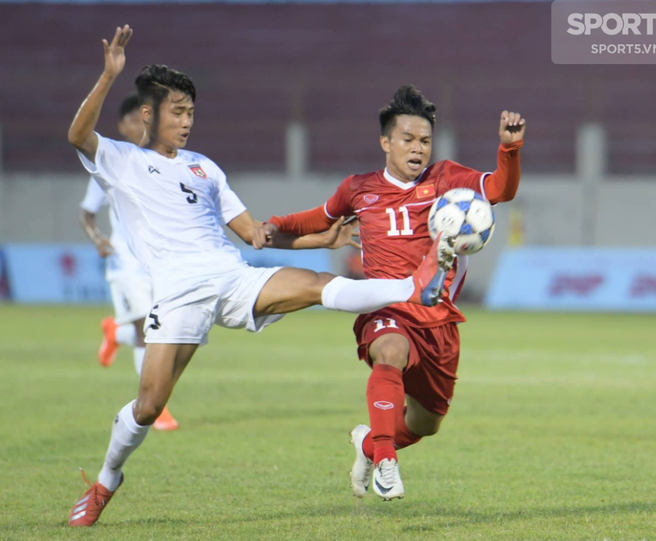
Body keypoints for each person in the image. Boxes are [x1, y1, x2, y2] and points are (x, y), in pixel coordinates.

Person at [67, 26, 457, 527]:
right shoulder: (123, 161)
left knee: (316, 287)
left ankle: (414, 288)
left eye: (191, 112)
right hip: (178, 293)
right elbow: (78, 136)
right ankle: (106, 482)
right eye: (177, 112)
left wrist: (324, 240)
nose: (187, 122)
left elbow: (254, 234)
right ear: (149, 114)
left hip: (232, 278)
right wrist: (106, 77)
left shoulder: (205, 169)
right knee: (148, 406)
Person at [255, 85, 525, 501]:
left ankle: (369, 445)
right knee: (390, 352)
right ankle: (385, 462)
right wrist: (275, 224)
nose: (418, 149)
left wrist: (510, 149)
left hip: (437, 319)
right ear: (386, 142)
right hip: (385, 306)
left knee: (426, 423)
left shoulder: (445, 178)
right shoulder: (359, 189)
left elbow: (501, 191)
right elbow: (319, 218)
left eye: (425, 141)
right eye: (408, 140)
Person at [79, 92, 179, 431]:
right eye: (135, 120)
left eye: (147, 119)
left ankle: (113, 330)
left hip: (157, 261)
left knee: (164, 328)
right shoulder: (108, 165)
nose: (142, 125)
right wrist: (98, 239)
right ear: (122, 125)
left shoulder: (163, 163)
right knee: (147, 333)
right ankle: (154, 406)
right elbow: (87, 214)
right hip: (125, 260)